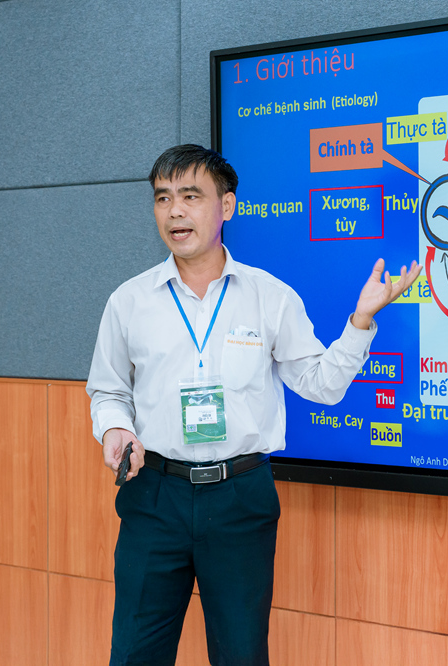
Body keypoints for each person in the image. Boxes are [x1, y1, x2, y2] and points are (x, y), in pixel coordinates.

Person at [86, 144, 421, 666]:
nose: (174, 211)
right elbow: (108, 390)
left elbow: (321, 385)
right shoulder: (128, 301)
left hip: (239, 498)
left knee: (241, 655)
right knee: (133, 654)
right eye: (163, 198)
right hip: (154, 496)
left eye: (191, 196)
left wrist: (360, 323)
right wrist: (114, 429)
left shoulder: (270, 297)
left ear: (227, 205)